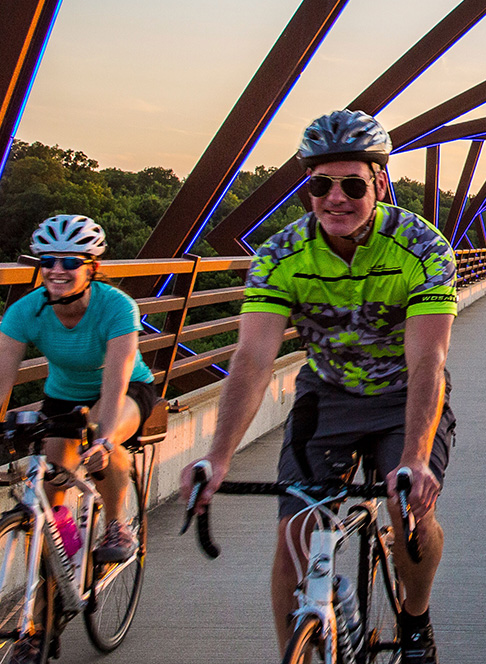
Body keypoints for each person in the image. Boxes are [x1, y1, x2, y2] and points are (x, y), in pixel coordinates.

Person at [185, 109, 457, 664]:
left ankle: (415, 619)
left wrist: (414, 457)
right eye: (320, 185)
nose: (336, 197)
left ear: (379, 183)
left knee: (411, 514)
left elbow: (428, 357)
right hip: (327, 395)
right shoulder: (279, 256)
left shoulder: (422, 248)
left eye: (352, 184)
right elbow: (254, 357)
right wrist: (217, 456)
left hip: (401, 394)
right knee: (296, 528)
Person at [0, 213, 158, 565]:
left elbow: (116, 380)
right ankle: (63, 570)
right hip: (64, 397)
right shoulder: (25, 311)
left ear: (92, 267)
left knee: (98, 438)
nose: (57, 270)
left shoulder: (117, 307)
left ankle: (116, 523)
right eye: (48, 261)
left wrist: (104, 438)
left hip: (127, 390)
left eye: (70, 262)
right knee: (52, 484)